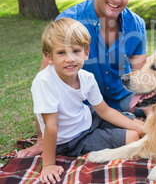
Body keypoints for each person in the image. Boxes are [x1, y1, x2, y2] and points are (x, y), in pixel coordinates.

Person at [18, 0, 147, 158]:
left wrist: (152, 120)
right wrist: (42, 141)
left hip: (121, 99)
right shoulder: (69, 21)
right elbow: (46, 78)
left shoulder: (136, 24)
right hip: (83, 106)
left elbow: (142, 79)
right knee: (129, 135)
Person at [32, 18, 144, 184]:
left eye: (75, 51)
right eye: (61, 53)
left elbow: (104, 111)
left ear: (86, 53)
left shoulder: (86, 78)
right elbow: (51, 125)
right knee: (134, 137)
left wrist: (141, 126)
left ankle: (142, 127)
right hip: (72, 140)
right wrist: (48, 164)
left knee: (139, 126)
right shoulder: (45, 82)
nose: (70, 59)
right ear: (49, 56)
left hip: (89, 118)